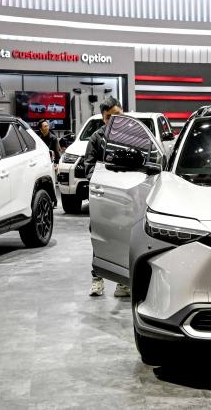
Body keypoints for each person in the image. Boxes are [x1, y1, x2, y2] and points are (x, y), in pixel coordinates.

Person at [85, 96, 131, 298]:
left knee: (124, 240)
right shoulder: (96, 138)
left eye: (118, 115)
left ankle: (123, 283)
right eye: (109, 117)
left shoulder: (132, 137)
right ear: (103, 118)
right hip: (102, 199)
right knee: (100, 239)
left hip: (126, 199)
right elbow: (88, 168)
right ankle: (97, 280)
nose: (114, 120)